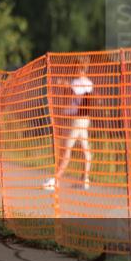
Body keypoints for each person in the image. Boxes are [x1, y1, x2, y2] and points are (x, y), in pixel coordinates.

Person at [44, 60, 95, 191]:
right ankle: (85, 179)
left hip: (77, 119)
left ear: (79, 68)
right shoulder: (89, 83)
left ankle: (56, 179)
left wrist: (66, 85)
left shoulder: (78, 83)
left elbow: (76, 95)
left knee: (67, 149)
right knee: (85, 149)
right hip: (83, 120)